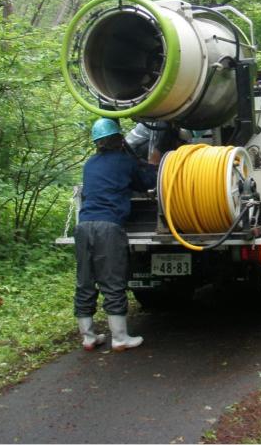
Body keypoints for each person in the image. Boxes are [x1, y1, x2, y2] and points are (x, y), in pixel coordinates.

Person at [74, 117, 158, 352]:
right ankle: (120, 338)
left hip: (83, 226)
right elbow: (146, 184)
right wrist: (153, 164)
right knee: (112, 281)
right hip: (108, 228)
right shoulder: (124, 161)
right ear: (119, 139)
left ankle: (89, 338)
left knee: (85, 282)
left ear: (97, 143)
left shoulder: (89, 164)